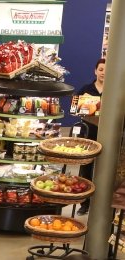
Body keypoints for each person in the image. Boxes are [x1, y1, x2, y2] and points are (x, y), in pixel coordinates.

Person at [76, 58, 105, 215]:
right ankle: (85, 203)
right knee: (86, 167)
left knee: (104, 169)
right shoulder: (86, 89)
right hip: (89, 132)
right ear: (95, 71)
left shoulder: (114, 90)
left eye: (106, 70)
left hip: (108, 133)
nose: (103, 73)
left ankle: (101, 204)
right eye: (100, 69)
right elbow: (74, 109)